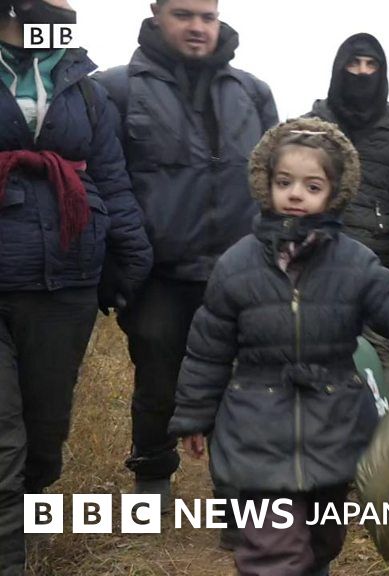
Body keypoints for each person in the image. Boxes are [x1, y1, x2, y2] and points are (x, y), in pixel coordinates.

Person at [167, 117, 389, 576]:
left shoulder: (354, 262)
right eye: (285, 182)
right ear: (266, 185)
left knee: (320, 543)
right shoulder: (236, 266)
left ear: (332, 194)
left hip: (333, 427)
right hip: (257, 427)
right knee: (274, 553)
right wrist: (195, 414)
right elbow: (208, 347)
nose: (296, 194)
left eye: (311, 185)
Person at [92, 0, 278, 529]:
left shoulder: (253, 91)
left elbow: (275, 181)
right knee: (159, 380)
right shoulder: (117, 88)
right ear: (156, 14)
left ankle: (236, 498)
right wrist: (120, 266)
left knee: (242, 383)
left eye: (207, 15)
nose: (198, 27)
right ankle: (151, 480)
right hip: (158, 275)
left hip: (239, 272)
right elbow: (106, 181)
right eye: (183, 14)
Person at [0, 1, 153, 573]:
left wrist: (130, 260)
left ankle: (22, 517)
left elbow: (112, 176)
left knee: (44, 435)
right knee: (4, 439)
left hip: (65, 280)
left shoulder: (82, 85)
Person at [307, 33, 389, 398]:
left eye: (371, 65)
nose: (362, 72)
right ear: (339, 68)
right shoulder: (313, 125)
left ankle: (380, 435)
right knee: (314, 356)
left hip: (379, 265)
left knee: (378, 358)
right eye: (354, 64)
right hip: (318, 263)